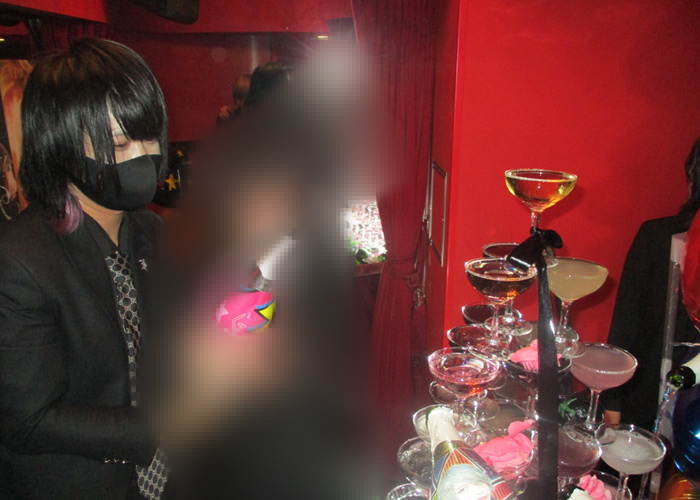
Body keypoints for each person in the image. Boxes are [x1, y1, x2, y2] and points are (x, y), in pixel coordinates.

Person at [0, 38, 169, 499]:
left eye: (149, 136)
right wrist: (160, 426)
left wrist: (268, 260)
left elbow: (185, 335)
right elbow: (28, 419)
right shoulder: (19, 260)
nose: (143, 154)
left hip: (166, 478)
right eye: (119, 143)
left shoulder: (152, 231)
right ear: (60, 146)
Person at [603, 137, 700, 430]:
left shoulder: (656, 235)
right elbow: (626, 327)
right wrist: (612, 403)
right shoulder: (660, 237)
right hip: (650, 403)